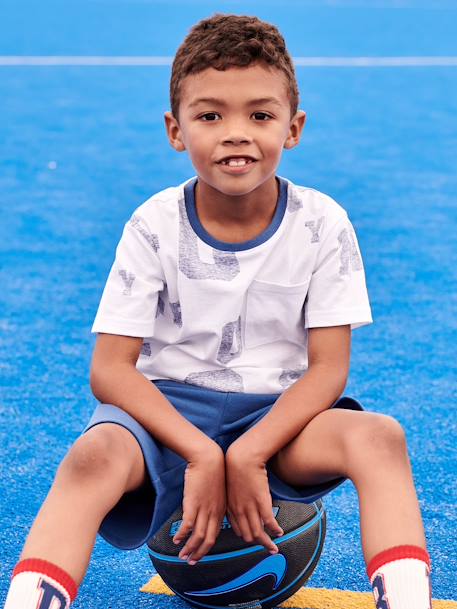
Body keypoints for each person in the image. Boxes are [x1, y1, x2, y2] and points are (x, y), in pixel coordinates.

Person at [4, 13, 431, 609]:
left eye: (260, 115)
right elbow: (110, 370)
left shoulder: (323, 223)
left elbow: (329, 370)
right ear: (176, 130)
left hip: (282, 423)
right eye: (211, 116)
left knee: (379, 437)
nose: (236, 133)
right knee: (92, 455)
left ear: (294, 127)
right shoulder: (154, 223)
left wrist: (251, 450)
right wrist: (204, 453)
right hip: (166, 418)